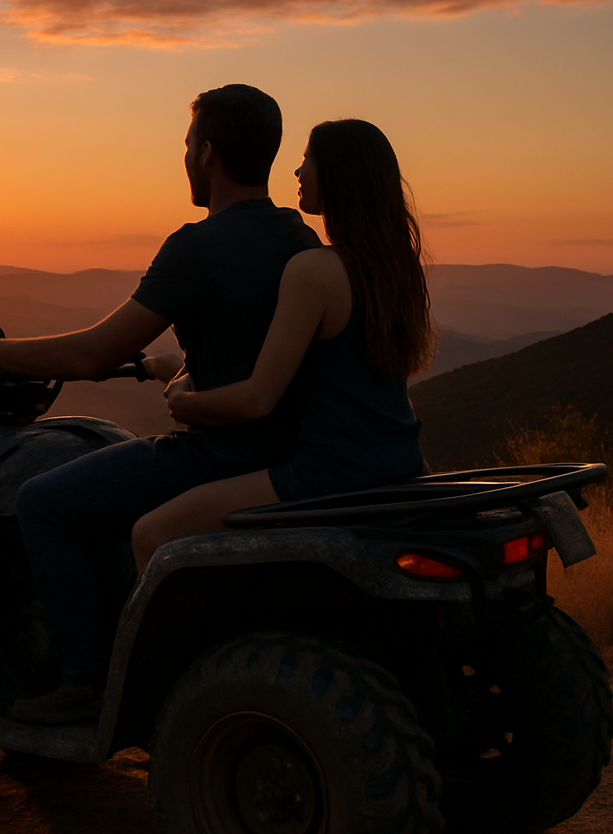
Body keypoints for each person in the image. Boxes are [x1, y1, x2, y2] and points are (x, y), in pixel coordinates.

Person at [0, 84, 322, 725]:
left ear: (206, 153)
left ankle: (86, 682)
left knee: (44, 502)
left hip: (220, 455)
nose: (184, 158)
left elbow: (89, 355)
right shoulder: (301, 239)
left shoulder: (198, 246)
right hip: (290, 452)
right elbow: (260, 351)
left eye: (185, 145)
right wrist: (172, 364)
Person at [131, 118, 435, 570]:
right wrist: (172, 365)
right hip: (402, 465)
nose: (298, 172)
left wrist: (183, 403)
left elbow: (258, 399)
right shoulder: (396, 271)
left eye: (308, 159)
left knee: (151, 532)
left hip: (331, 475)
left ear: (338, 174)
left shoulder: (314, 270)